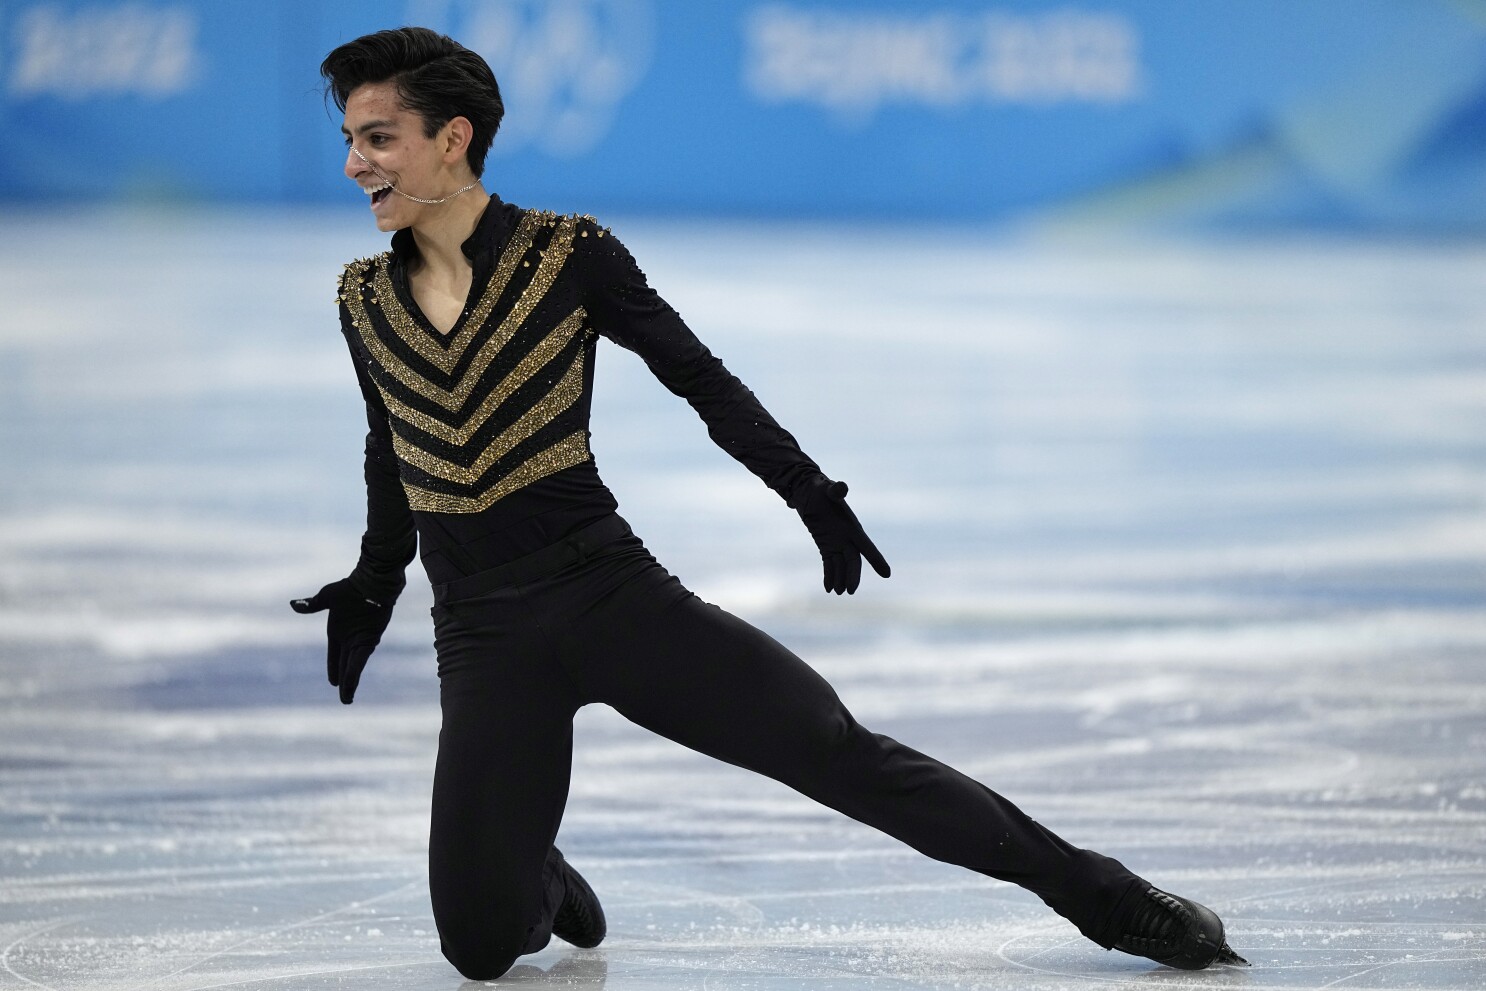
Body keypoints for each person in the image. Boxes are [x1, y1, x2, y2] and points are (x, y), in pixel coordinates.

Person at [291, 26, 1247, 982]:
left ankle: (1105, 894)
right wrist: (379, 579)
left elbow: (700, 381)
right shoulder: (362, 297)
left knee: (838, 753)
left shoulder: (567, 254)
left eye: (378, 138)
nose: (353, 163)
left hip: (609, 597)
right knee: (480, 946)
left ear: (452, 138)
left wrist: (811, 493)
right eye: (350, 138)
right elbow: (393, 445)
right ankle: (536, 872)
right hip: (483, 632)